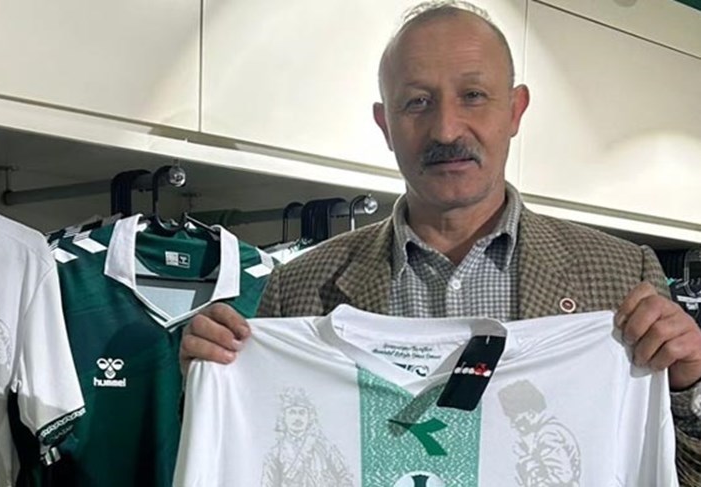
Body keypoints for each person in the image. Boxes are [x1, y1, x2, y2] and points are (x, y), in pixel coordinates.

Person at [180, 1, 701, 484]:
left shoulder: (621, 277)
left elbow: (677, 471)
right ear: (385, 124)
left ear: (515, 110)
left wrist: (688, 385)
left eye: (473, 95)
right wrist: (216, 389)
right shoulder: (297, 288)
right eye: (417, 102)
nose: (447, 129)